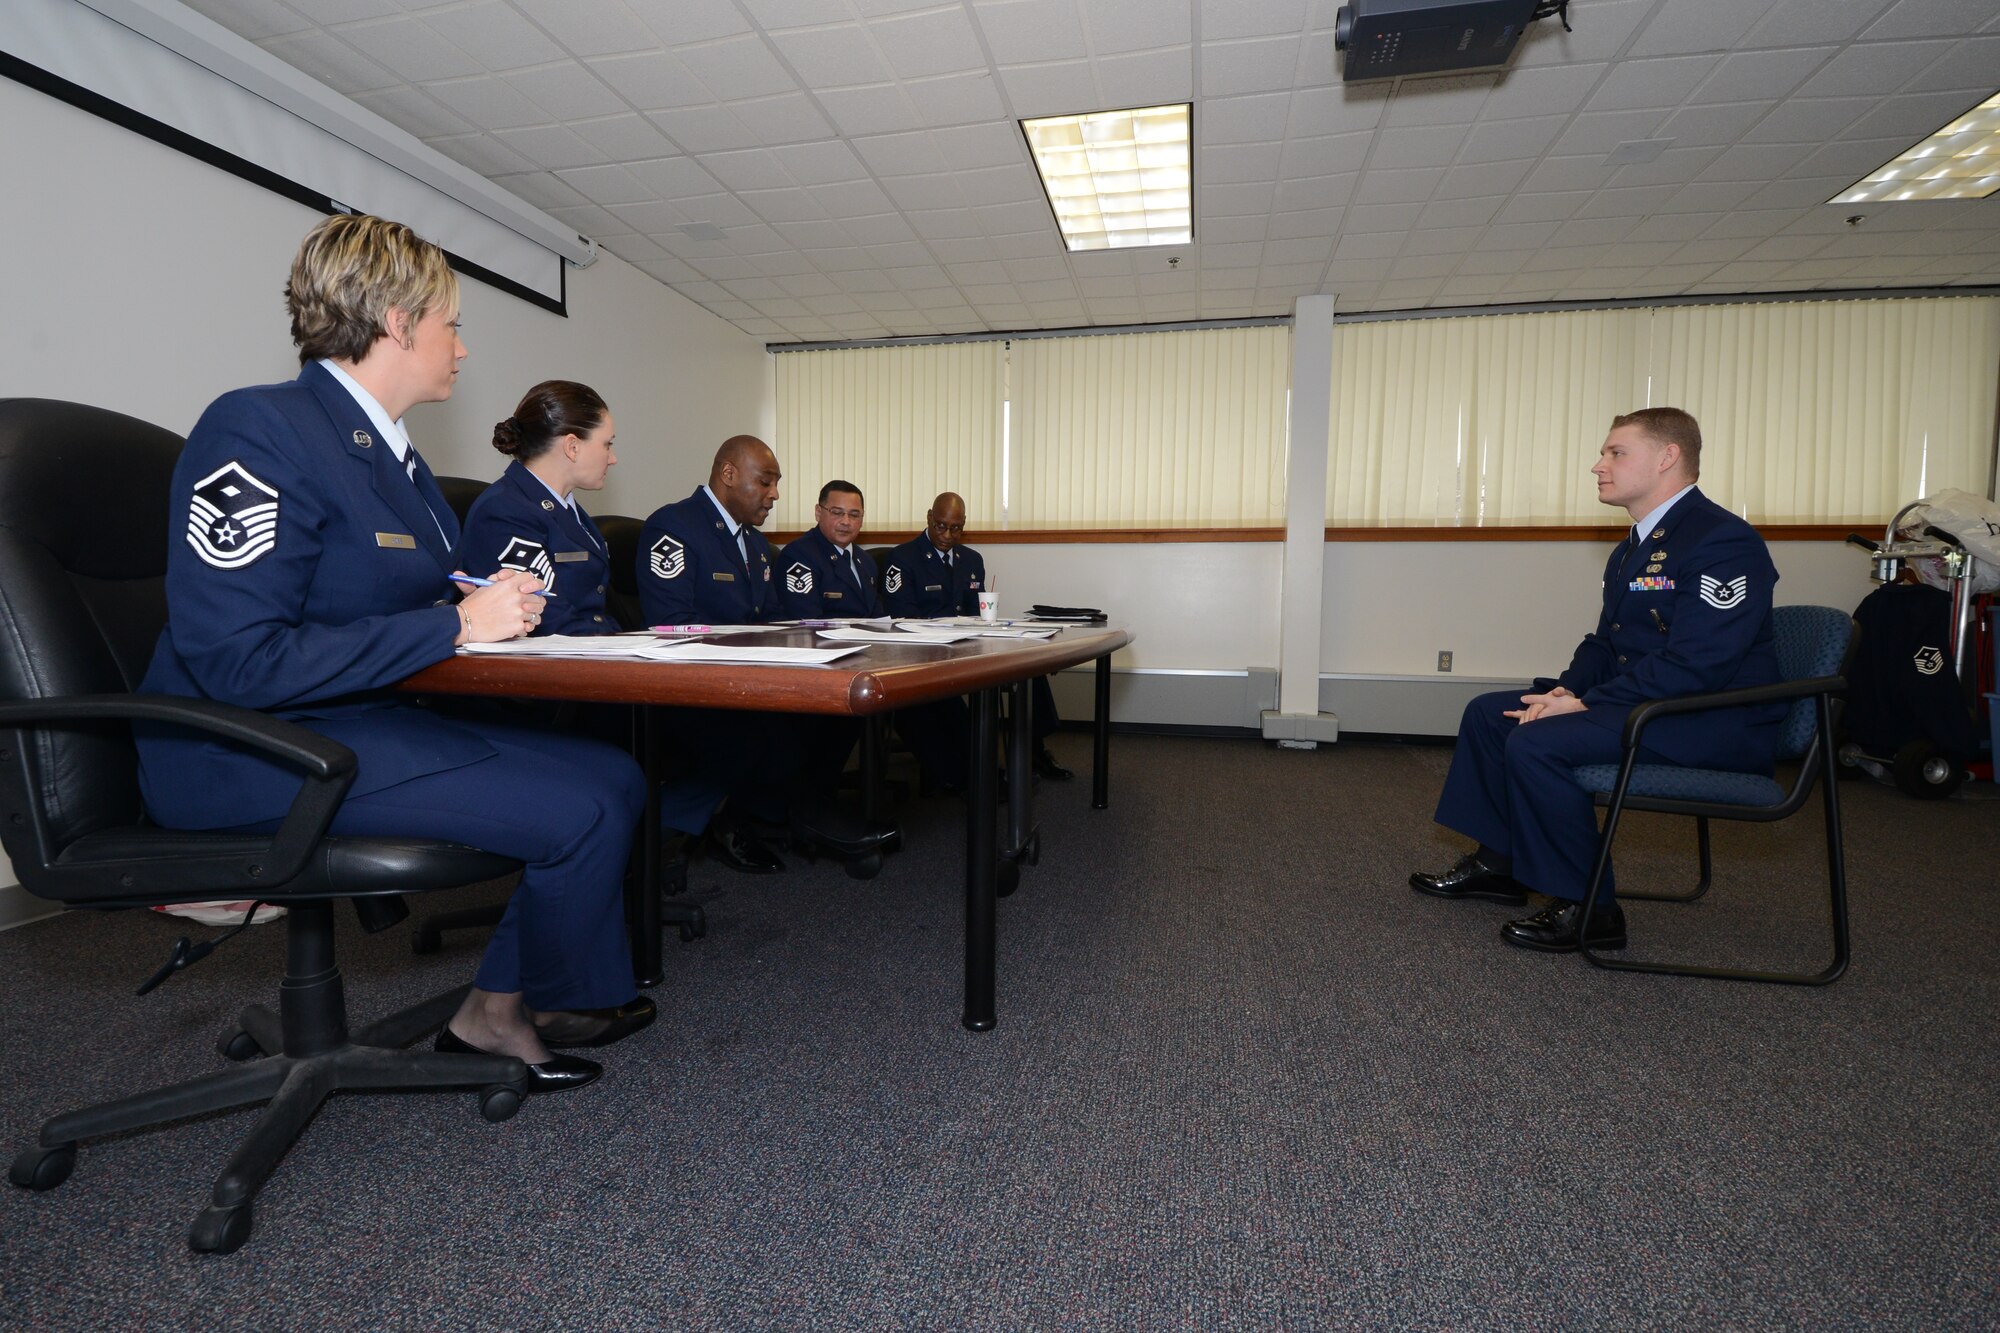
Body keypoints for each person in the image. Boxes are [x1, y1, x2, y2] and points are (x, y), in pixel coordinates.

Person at [135, 213, 651, 1095]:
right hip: (245, 746)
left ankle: (507, 1002)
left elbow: (390, 602)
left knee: (613, 777)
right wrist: (455, 625)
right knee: (581, 808)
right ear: (400, 321)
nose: (459, 346)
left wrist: (480, 612)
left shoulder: (396, 461)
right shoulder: (260, 429)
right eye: (450, 323)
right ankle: (511, 1008)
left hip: (350, 721)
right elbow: (236, 660)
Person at [1409, 407, 1784, 952]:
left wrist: (1587, 704)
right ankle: (1501, 864)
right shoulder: (1637, 542)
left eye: (1616, 452)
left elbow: (1698, 664)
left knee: (1537, 742)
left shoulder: (1722, 541)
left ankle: (1591, 907)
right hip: (1653, 704)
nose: (1598, 465)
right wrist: (1567, 689)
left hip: (1708, 720)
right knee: (1492, 714)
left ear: (1667, 457)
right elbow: (1607, 643)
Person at [461, 379, 726, 841]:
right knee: (722, 729)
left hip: (592, 673)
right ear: (570, 445)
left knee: (734, 721)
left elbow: (595, 608)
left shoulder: (572, 512)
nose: (613, 456)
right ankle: (646, 845)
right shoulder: (507, 509)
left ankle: (648, 844)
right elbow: (541, 622)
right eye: (607, 443)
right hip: (550, 692)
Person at [637, 439, 896, 869]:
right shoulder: (675, 526)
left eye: (776, 484)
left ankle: (762, 817)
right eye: (765, 482)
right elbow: (671, 625)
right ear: (728, 474)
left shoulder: (756, 546)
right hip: (690, 688)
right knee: (762, 736)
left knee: (820, 717)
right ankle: (797, 819)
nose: (774, 494)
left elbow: (778, 621)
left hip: (749, 682)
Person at [882, 492, 1073, 782]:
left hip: (969, 644)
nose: (947, 534)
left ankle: (1032, 750)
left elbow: (976, 611)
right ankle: (970, 774)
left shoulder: (971, 559)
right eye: (941, 526)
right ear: (929, 518)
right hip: (928, 650)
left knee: (1028, 662)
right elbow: (903, 620)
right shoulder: (902, 558)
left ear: (964, 525)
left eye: (955, 528)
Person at [777, 480, 882, 620]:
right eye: (837, 513)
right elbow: (806, 621)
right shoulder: (798, 556)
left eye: (854, 515)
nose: (846, 521)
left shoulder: (866, 561)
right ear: (818, 513)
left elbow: (878, 617)